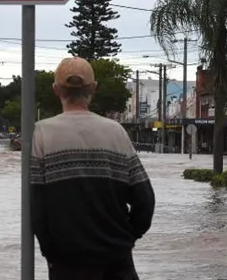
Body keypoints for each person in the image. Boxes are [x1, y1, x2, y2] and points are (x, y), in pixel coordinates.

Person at [30, 57, 155, 280]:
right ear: (94, 89)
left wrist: (51, 251)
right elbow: (145, 201)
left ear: (56, 90)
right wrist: (125, 240)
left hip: (66, 264)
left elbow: (36, 208)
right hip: (118, 264)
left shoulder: (40, 134)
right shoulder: (116, 132)